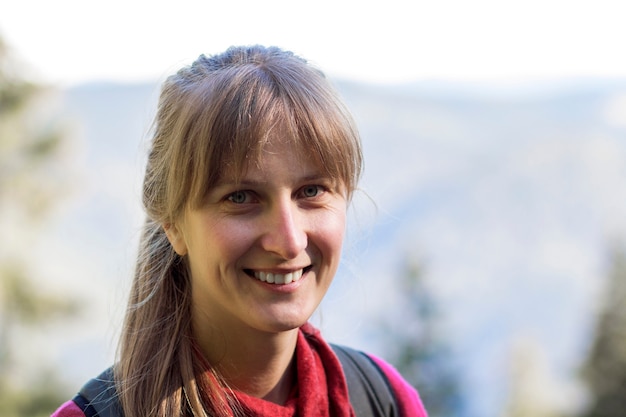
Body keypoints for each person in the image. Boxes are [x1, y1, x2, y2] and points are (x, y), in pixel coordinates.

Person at [51, 45, 428, 417]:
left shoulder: (384, 399)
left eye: (311, 192)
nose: (289, 240)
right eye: (241, 197)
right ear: (173, 223)